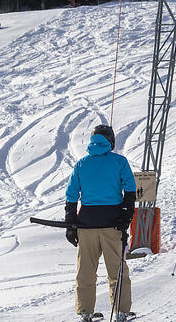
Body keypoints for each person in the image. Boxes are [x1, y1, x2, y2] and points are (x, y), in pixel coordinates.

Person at [65, 124, 137, 322]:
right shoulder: (120, 162)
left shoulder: (81, 164)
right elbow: (130, 189)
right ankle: (121, 311)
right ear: (111, 141)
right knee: (117, 269)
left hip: (86, 224)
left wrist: (70, 221)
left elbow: (71, 195)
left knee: (86, 271)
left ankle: (85, 312)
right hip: (113, 224)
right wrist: (126, 214)